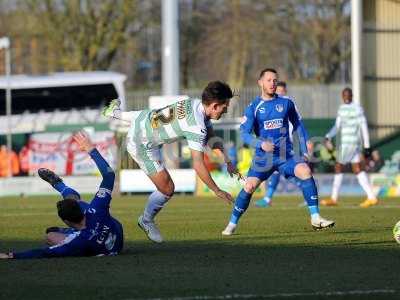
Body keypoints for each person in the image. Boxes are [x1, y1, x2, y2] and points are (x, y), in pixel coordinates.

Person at [102, 81, 239, 243]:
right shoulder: (196, 125)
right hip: (140, 144)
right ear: (215, 105)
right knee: (167, 188)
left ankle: (115, 112)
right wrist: (217, 190)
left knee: (140, 116)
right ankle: (146, 220)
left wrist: (228, 160)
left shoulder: (195, 104)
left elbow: (212, 138)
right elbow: (198, 164)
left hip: (144, 118)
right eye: (225, 107)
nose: (226, 110)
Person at [221, 68, 335, 235]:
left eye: (275, 80)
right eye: (269, 80)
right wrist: (260, 143)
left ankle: (316, 218)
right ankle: (232, 224)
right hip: (263, 158)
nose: (272, 83)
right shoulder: (253, 107)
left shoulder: (287, 103)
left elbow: (298, 126)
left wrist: (304, 151)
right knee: (249, 187)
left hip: (285, 156)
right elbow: (244, 133)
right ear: (260, 83)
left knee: (305, 171)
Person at [0, 131, 124, 259]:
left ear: (66, 221)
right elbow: (109, 175)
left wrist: (12, 255)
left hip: (91, 244)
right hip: (118, 236)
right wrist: (91, 149)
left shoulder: (77, 243)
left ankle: (61, 190)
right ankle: (59, 186)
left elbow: (45, 252)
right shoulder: (97, 209)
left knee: (50, 236)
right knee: (73, 202)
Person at [255, 81, 311, 207]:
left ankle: (308, 195)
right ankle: (268, 198)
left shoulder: (287, 102)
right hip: (276, 143)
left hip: (288, 143)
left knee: (292, 172)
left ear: (285, 91)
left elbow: (299, 123)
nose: (278, 92)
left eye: (281, 90)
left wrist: (306, 140)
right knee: (276, 171)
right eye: (277, 90)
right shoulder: (269, 103)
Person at [321, 87, 378, 208]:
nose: (346, 97)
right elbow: (337, 126)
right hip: (349, 144)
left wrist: (367, 146)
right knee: (358, 169)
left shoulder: (358, 109)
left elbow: (363, 127)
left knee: (338, 167)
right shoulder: (341, 109)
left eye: (348, 95)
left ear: (352, 96)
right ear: (342, 96)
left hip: (350, 143)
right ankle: (372, 197)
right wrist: (328, 136)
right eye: (344, 95)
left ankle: (334, 198)